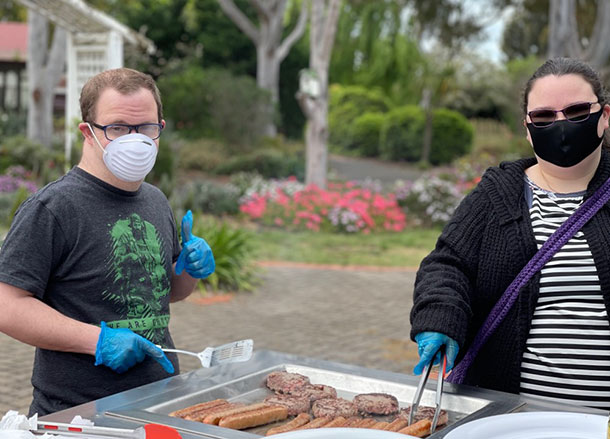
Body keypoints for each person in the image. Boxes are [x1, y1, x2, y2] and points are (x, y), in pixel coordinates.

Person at [0, 68, 215, 416]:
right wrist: (96, 341)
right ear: (88, 132)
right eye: (117, 128)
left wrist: (187, 271)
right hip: (76, 416)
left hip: (160, 403)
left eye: (146, 127)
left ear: (160, 128)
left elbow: (169, 293)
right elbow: (7, 306)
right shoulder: (53, 209)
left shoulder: (156, 201)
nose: (135, 139)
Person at [410, 57, 610, 410]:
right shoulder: (498, 193)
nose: (561, 125)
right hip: (511, 420)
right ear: (528, 128)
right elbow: (447, 264)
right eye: (545, 117)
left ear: (605, 115)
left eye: (577, 111)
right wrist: (440, 317)